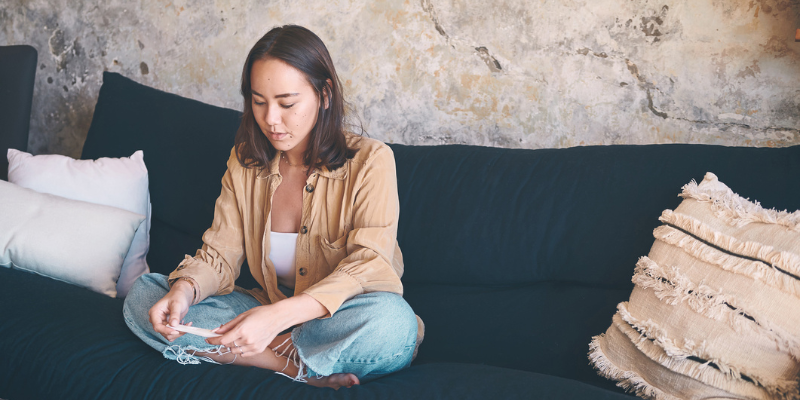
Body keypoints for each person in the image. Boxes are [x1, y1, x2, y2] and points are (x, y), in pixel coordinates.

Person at [123, 25, 423, 390]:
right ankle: (289, 368)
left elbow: (370, 266)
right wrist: (183, 292)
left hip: (338, 321)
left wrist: (274, 318)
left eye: (287, 103)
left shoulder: (372, 161)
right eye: (259, 101)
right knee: (145, 297)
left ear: (324, 94)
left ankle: (254, 350)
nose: (271, 120)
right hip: (262, 310)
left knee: (394, 324)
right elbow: (220, 253)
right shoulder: (246, 161)